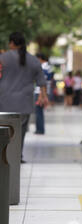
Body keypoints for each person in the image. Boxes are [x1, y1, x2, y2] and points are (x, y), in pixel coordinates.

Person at [0, 32, 48, 163]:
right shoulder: (33, 60)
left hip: (4, 101)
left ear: (11, 43)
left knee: (4, 130)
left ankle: (4, 155)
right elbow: (41, 81)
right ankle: (17, 155)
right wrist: (43, 96)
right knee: (20, 132)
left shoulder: (3, 58)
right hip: (25, 102)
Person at [34, 53, 52, 134]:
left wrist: (41, 96)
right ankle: (40, 128)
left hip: (39, 92)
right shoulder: (48, 67)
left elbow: (42, 82)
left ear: (40, 58)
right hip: (43, 91)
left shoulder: (43, 67)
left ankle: (40, 129)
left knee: (38, 111)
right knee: (39, 111)